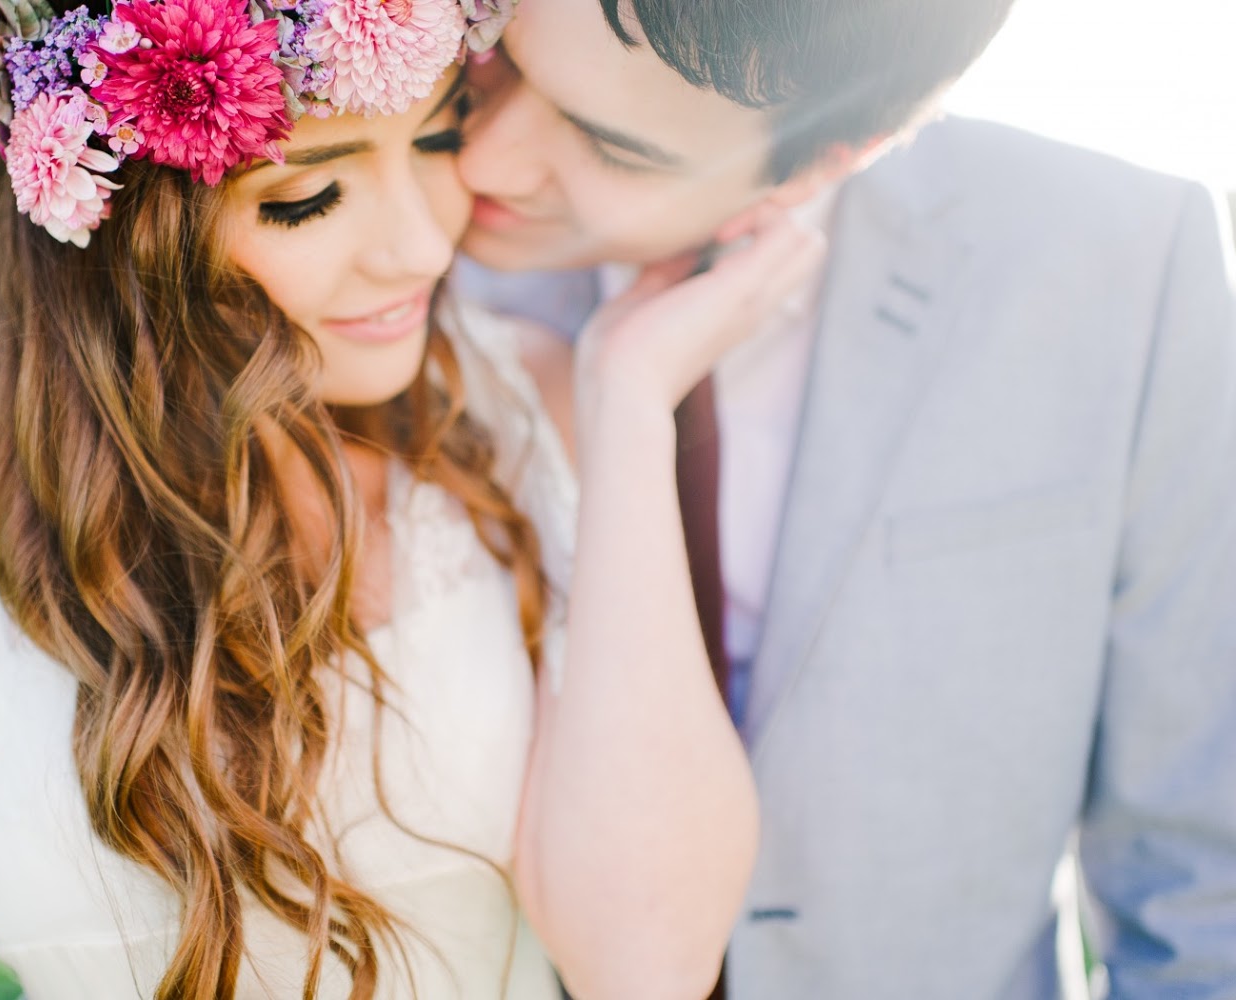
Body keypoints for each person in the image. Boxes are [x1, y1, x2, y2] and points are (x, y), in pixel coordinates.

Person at [0, 0, 804, 997]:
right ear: (112, 214)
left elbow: (652, 967)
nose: (417, 247)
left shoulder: (523, 411)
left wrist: (627, 401)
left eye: (440, 136)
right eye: (308, 196)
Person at [454, 0, 1236, 997]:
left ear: (833, 159)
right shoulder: (388, 263)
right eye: (499, 67)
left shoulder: (1119, 264)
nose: (483, 160)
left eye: (611, 148)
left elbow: (1202, 886)